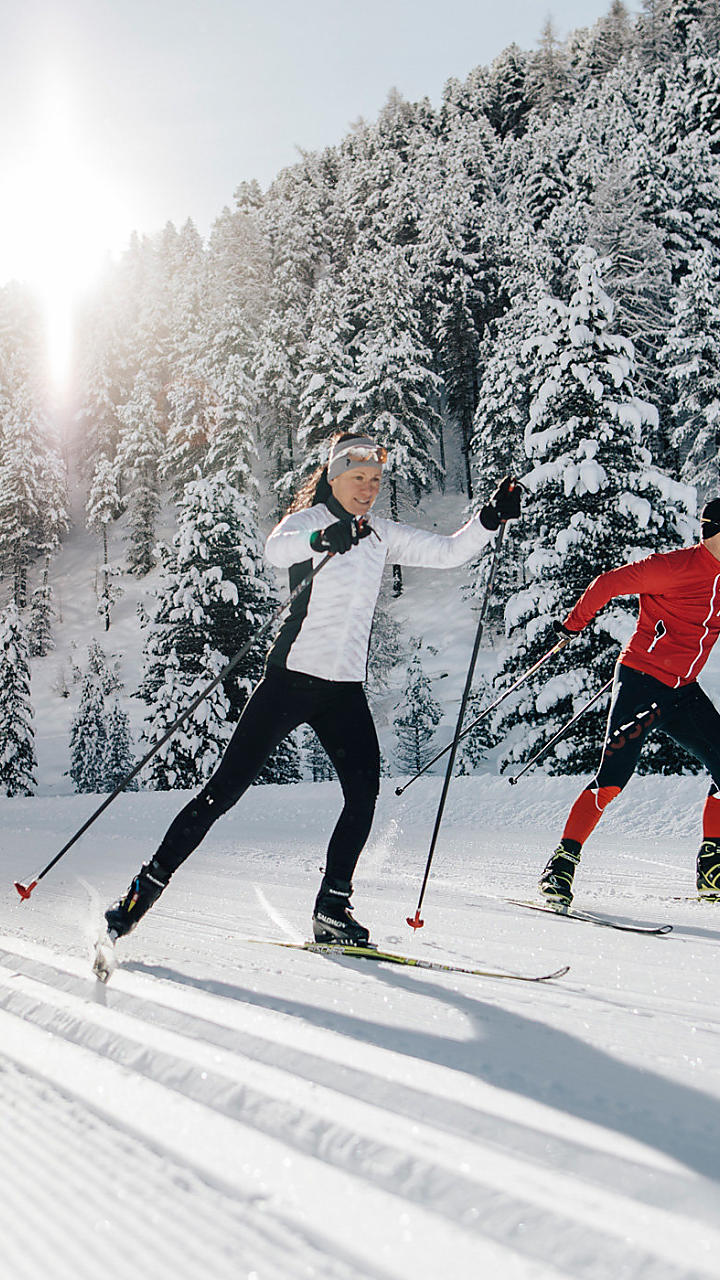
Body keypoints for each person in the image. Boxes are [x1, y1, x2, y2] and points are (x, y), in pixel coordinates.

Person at [103, 433, 522, 947]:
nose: (368, 489)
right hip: (289, 682)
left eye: (374, 480)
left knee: (363, 791)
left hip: (342, 690)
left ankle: (332, 907)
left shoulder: (381, 534)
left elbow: (450, 552)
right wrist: (322, 541)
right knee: (222, 792)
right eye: (358, 478)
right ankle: (143, 891)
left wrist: (488, 518)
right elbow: (275, 547)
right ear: (333, 476)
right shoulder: (308, 523)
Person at [539, 497, 720, 908]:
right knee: (613, 779)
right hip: (643, 683)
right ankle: (561, 865)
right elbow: (608, 583)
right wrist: (572, 624)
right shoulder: (674, 567)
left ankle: (712, 865)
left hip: (683, 690)